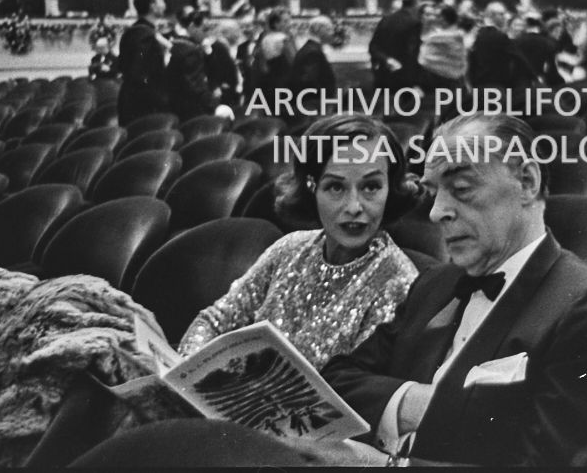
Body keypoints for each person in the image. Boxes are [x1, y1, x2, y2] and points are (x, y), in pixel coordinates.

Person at [321, 113, 587, 466]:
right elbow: (337, 380)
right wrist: (419, 404)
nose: (436, 212)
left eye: (460, 189)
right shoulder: (433, 283)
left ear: (527, 182)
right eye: (433, 193)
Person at [180, 114, 420, 368]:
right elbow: (214, 321)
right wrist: (190, 375)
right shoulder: (289, 248)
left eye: (370, 187)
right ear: (312, 188)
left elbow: (357, 394)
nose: (353, 207)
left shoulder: (399, 283)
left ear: (390, 189)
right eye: (336, 188)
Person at [117, 0, 169, 125]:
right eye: (161, 1)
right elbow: (140, 75)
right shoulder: (145, 35)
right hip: (143, 107)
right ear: (152, 6)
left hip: (133, 102)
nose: (165, 5)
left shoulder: (134, 31)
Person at [466, 2, 537, 95]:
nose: (505, 17)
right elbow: (519, 57)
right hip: (496, 88)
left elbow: (470, 60)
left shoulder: (476, 35)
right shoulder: (500, 36)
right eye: (502, 14)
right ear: (493, 15)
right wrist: (534, 77)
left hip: (478, 88)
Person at [166, 11, 219, 121]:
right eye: (201, 29)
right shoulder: (189, 50)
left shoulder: (174, 46)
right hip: (193, 110)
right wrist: (213, 105)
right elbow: (195, 86)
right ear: (191, 27)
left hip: (175, 107)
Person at [369, 0, 423, 91]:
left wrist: (387, 59)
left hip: (383, 75)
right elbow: (412, 53)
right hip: (404, 78)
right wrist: (415, 82)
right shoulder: (414, 23)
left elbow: (373, 47)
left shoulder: (385, 20)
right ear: (415, 4)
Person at [418, 3, 467, 102]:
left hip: (444, 83)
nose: (434, 19)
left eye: (438, 16)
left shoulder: (439, 37)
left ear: (446, 18)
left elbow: (423, 59)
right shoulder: (459, 34)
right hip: (455, 82)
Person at [252, 6, 297, 103]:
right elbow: (295, 62)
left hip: (268, 84)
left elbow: (263, 66)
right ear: (276, 24)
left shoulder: (265, 39)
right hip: (285, 84)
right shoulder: (284, 39)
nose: (289, 24)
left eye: (289, 21)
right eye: (285, 21)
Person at [514, 13, 563, 86]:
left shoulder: (516, 42)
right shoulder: (549, 43)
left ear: (526, 25)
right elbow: (551, 69)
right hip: (540, 82)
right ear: (540, 25)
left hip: (520, 83)